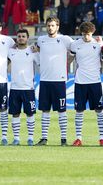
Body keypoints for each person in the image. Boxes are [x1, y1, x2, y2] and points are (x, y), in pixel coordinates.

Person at [35, 17, 74, 146]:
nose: (50, 28)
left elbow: (74, 51)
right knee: (45, 110)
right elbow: (37, 51)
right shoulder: (41, 40)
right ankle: (44, 138)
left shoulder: (65, 39)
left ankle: (63, 139)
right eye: (48, 25)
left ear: (57, 26)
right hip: (45, 80)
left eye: (53, 25)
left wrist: (68, 62)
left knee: (61, 111)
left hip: (59, 80)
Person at [69, 22, 103, 146]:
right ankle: (78, 138)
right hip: (80, 82)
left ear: (93, 33)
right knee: (79, 111)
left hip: (95, 81)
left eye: (88, 35)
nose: (86, 37)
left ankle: (102, 138)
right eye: (84, 34)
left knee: (99, 110)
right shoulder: (75, 45)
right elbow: (70, 59)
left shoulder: (99, 44)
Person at [8, 29, 39, 146]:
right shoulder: (10, 52)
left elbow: (42, 63)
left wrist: (38, 50)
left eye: (23, 36)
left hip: (28, 88)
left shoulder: (33, 52)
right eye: (19, 36)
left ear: (27, 38)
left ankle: (30, 138)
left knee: (30, 114)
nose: (21, 38)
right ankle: (16, 139)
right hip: (14, 88)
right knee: (15, 114)